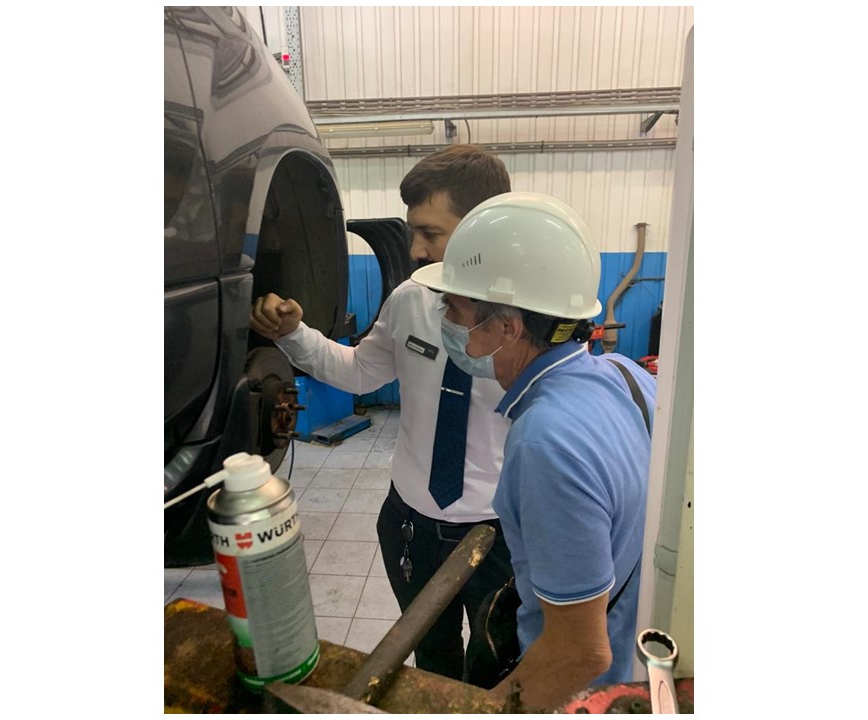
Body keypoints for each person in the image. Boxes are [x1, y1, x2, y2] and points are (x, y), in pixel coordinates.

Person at [248, 145, 515, 684]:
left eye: (431, 233)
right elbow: (360, 372)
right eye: (413, 231)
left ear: (483, 229)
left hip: (500, 534)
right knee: (431, 663)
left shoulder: (530, 321)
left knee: (495, 668)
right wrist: (294, 334)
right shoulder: (410, 300)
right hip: (413, 524)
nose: (415, 249)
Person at [410, 191, 656, 709]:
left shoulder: (545, 444)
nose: (447, 320)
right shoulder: (625, 375)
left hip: (575, 695)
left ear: (507, 327)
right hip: (631, 660)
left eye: (454, 307)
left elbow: (579, 654)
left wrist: (492, 711)